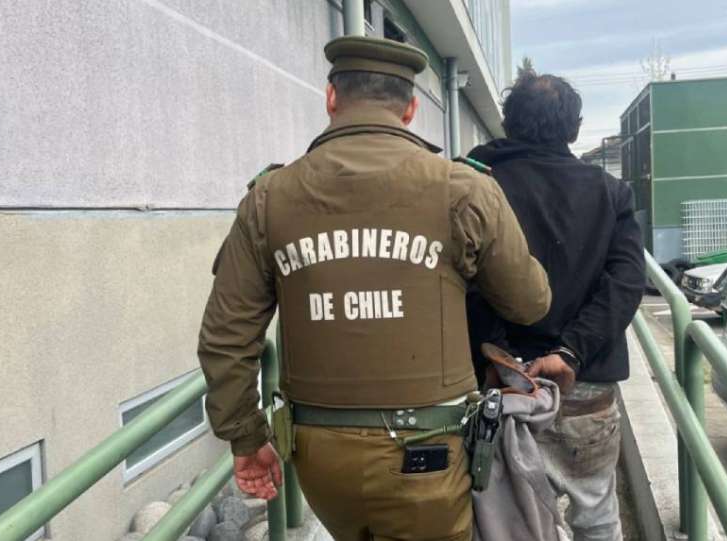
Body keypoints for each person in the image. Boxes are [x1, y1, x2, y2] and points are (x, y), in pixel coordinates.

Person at [197, 35, 551, 541]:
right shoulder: (463, 189)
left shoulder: (269, 199)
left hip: (319, 456)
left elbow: (225, 337)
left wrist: (245, 437)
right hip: (429, 451)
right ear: (409, 110)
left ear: (331, 98)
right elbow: (530, 303)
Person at [467, 68, 645, 541]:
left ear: (509, 123)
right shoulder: (610, 192)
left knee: (504, 520)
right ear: (575, 129)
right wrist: (570, 352)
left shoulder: (476, 184)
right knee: (596, 516)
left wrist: (500, 356)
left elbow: (465, 280)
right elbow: (627, 281)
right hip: (584, 388)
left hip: (502, 388)